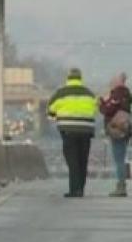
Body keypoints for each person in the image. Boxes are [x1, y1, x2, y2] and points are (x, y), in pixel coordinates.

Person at [48, 68, 97, 198]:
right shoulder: (89, 94)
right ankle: (80, 188)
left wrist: (55, 116)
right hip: (86, 130)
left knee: (72, 160)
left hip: (68, 130)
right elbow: (96, 108)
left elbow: (51, 109)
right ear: (80, 78)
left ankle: (74, 190)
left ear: (68, 78)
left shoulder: (61, 93)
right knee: (83, 159)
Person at [99, 72, 132, 197]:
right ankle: (121, 185)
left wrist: (101, 103)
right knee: (121, 156)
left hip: (117, 130)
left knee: (118, 159)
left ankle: (121, 186)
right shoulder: (127, 94)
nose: (111, 82)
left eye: (113, 80)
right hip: (125, 129)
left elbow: (108, 109)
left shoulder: (118, 93)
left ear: (119, 81)